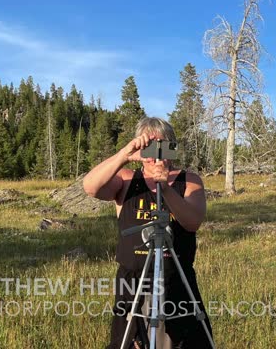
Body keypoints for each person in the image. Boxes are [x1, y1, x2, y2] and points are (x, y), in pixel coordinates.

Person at [83, 117, 213, 349]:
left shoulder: (188, 180)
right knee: (129, 340)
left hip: (176, 279)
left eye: (161, 147)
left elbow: (192, 222)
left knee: (186, 341)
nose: (156, 156)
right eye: (149, 148)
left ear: (171, 148)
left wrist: (164, 186)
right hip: (132, 282)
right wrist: (124, 154)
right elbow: (91, 187)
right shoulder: (126, 179)